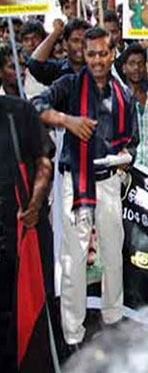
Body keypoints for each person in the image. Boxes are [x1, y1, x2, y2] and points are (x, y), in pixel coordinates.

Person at [31, 26, 139, 347]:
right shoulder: (69, 85)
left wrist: (124, 158)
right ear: (83, 54)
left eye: (102, 53)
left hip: (108, 184)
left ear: (112, 53)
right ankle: (73, 333)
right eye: (90, 54)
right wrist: (68, 121)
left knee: (112, 255)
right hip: (74, 183)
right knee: (74, 259)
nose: (96, 60)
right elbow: (35, 106)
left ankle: (113, 318)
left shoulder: (124, 96)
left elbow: (133, 144)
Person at [0, 95, 53, 370]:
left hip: (20, 228)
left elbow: (44, 162)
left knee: (24, 316)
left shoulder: (18, 112)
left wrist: (34, 203)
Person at [121, 43, 148, 171]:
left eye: (140, 63)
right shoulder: (118, 100)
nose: (136, 68)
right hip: (127, 170)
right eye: (132, 63)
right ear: (124, 68)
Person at [29, 18, 91, 85]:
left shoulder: (97, 70)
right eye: (75, 41)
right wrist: (56, 32)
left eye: (84, 41)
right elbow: (35, 64)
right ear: (65, 44)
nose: (80, 46)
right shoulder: (58, 70)